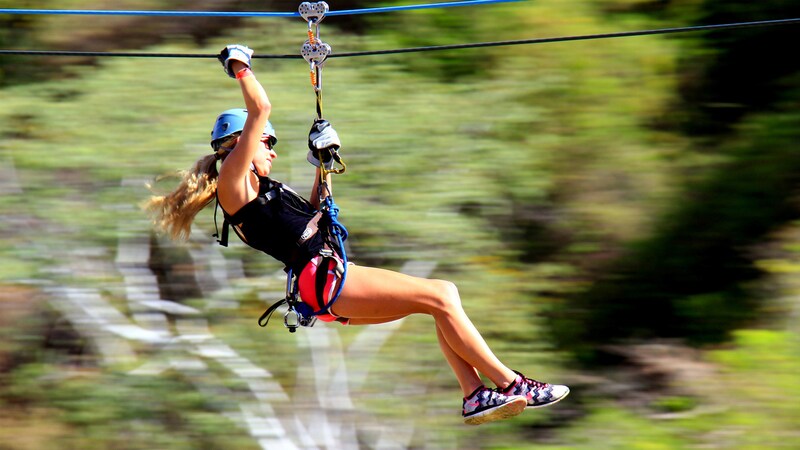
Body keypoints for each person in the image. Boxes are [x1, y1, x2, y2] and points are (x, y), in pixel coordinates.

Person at [146, 44, 569, 425]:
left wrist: (321, 162)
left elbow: (315, 215)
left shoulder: (260, 190)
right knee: (441, 296)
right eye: (267, 143)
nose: (272, 149)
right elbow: (261, 109)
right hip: (324, 279)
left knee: (441, 300)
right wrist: (240, 66)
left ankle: (475, 393)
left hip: (323, 280)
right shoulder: (234, 184)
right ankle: (512, 384)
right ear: (239, 144)